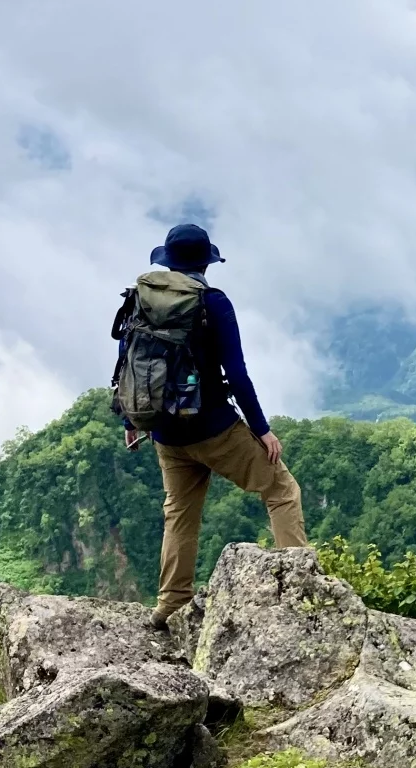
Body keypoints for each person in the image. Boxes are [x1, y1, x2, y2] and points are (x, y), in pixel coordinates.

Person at [121, 222, 308, 627]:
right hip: (214, 428)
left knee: (180, 514)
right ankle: (299, 590)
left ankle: (171, 604)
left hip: (164, 432)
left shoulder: (140, 298)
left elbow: (128, 360)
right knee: (281, 489)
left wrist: (131, 417)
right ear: (206, 263)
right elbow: (236, 374)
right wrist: (261, 429)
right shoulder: (214, 303)